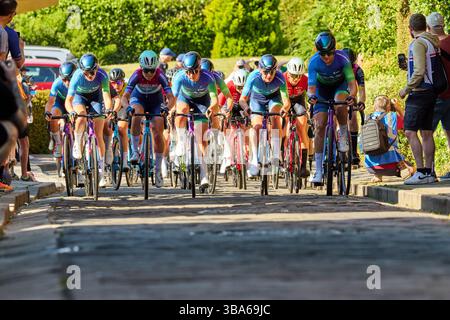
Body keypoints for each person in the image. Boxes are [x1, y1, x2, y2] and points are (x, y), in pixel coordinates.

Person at [307, 31, 357, 184]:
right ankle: (319, 170)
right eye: (323, 54)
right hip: (322, 89)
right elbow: (311, 88)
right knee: (320, 125)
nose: (327, 57)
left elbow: (351, 85)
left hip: (339, 87)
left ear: (335, 50)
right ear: (318, 52)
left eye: (329, 53)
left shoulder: (343, 59)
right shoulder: (314, 62)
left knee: (340, 103)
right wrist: (311, 97)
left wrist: (352, 96)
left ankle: (342, 133)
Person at [121, 50, 175, 188]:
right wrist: (127, 107)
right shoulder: (137, 74)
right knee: (136, 113)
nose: (150, 74)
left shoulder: (160, 75)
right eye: (146, 70)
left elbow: (171, 98)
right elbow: (124, 97)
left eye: (152, 70)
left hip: (155, 101)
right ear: (141, 67)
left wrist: (167, 108)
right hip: (138, 99)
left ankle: (157, 170)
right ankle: (134, 151)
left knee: (157, 130)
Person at [399, 13, 440, 185]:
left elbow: (419, 71)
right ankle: (429, 172)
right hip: (431, 92)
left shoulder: (417, 43)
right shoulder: (432, 41)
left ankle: (421, 172)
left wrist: (405, 89)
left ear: (410, 29)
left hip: (419, 93)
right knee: (427, 133)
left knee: (409, 132)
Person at [171, 51, 219, 187]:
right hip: (184, 98)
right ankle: (181, 140)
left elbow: (214, 98)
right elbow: (173, 98)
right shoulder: (180, 77)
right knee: (181, 111)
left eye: (195, 71)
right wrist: (171, 110)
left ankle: (204, 175)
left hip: (202, 102)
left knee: (201, 140)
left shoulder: (208, 77)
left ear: (200, 68)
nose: (191, 75)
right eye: (188, 72)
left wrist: (211, 108)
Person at [65, 53, 113, 188]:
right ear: (82, 71)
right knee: (80, 117)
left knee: (98, 134)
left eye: (92, 72)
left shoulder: (102, 75)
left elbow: (106, 96)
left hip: (96, 98)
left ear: (97, 68)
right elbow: (69, 100)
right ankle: (78, 142)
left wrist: (109, 109)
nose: (90, 75)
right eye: (86, 73)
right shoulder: (77, 76)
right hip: (79, 98)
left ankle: (101, 170)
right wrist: (71, 112)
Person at [239, 54, 291, 177]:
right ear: (260, 70)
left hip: (274, 98)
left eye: (272, 72)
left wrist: (285, 108)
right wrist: (246, 108)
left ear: (275, 70)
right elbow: (242, 99)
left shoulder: (280, 77)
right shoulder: (253, 76)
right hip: (257, 99)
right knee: (256, 127)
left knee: (275, 118)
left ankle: (277, 155)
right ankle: (254, 161)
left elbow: (286, 101)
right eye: (265, 72)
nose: (269, 76)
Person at [364, 95, 414, 183]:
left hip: (371, 166)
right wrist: (397, 108)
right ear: (389, 106)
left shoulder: (367, 118)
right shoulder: (392, 116)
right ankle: (405, 169)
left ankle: (377, 176)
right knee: (412, 168)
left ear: (374, 106)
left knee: (376, 146)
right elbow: (407, 121)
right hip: (391, 166)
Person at [427, 12, 450, 180]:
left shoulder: (430, 45)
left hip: (438, 95)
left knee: (427, 133)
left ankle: (429, 170)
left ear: (429, 27)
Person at [282, 57, 310, 177]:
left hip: (299, 101)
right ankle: (282, 156)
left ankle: (303, 166)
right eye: (293, 75)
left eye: (299, 76)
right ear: (288, 72)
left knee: (302, 125)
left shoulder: (305, 80)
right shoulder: (282, 78)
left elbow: (312, 94)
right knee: (283, 127)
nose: (295, 79)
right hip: (284, 101)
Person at [44, 62, 77, 159]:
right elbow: (50, 102)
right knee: (53, 114)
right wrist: (47, 112)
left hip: (73, 103)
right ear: (60, 77)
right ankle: (58, 142)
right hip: (60, 103)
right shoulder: (57, 83)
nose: (67, 82)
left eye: (69, 79)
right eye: (64, 79)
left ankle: (77, 142)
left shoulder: (78, 81)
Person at [343, 47, 366, 166]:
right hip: (339, 91)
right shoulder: (337, 67)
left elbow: (362, 90)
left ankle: (353, 152)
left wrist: (361, 102)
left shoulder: (358, 70)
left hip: (351, 93)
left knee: (352, 119)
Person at [107, 68, 129, 170]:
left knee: (121, 129)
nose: (116, 85)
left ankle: (124, 161)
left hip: (124, 109)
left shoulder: (128, 88)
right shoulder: (107, 88)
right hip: (112, 109)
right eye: (113, 83)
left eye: (119, 82)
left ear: (123, 82)